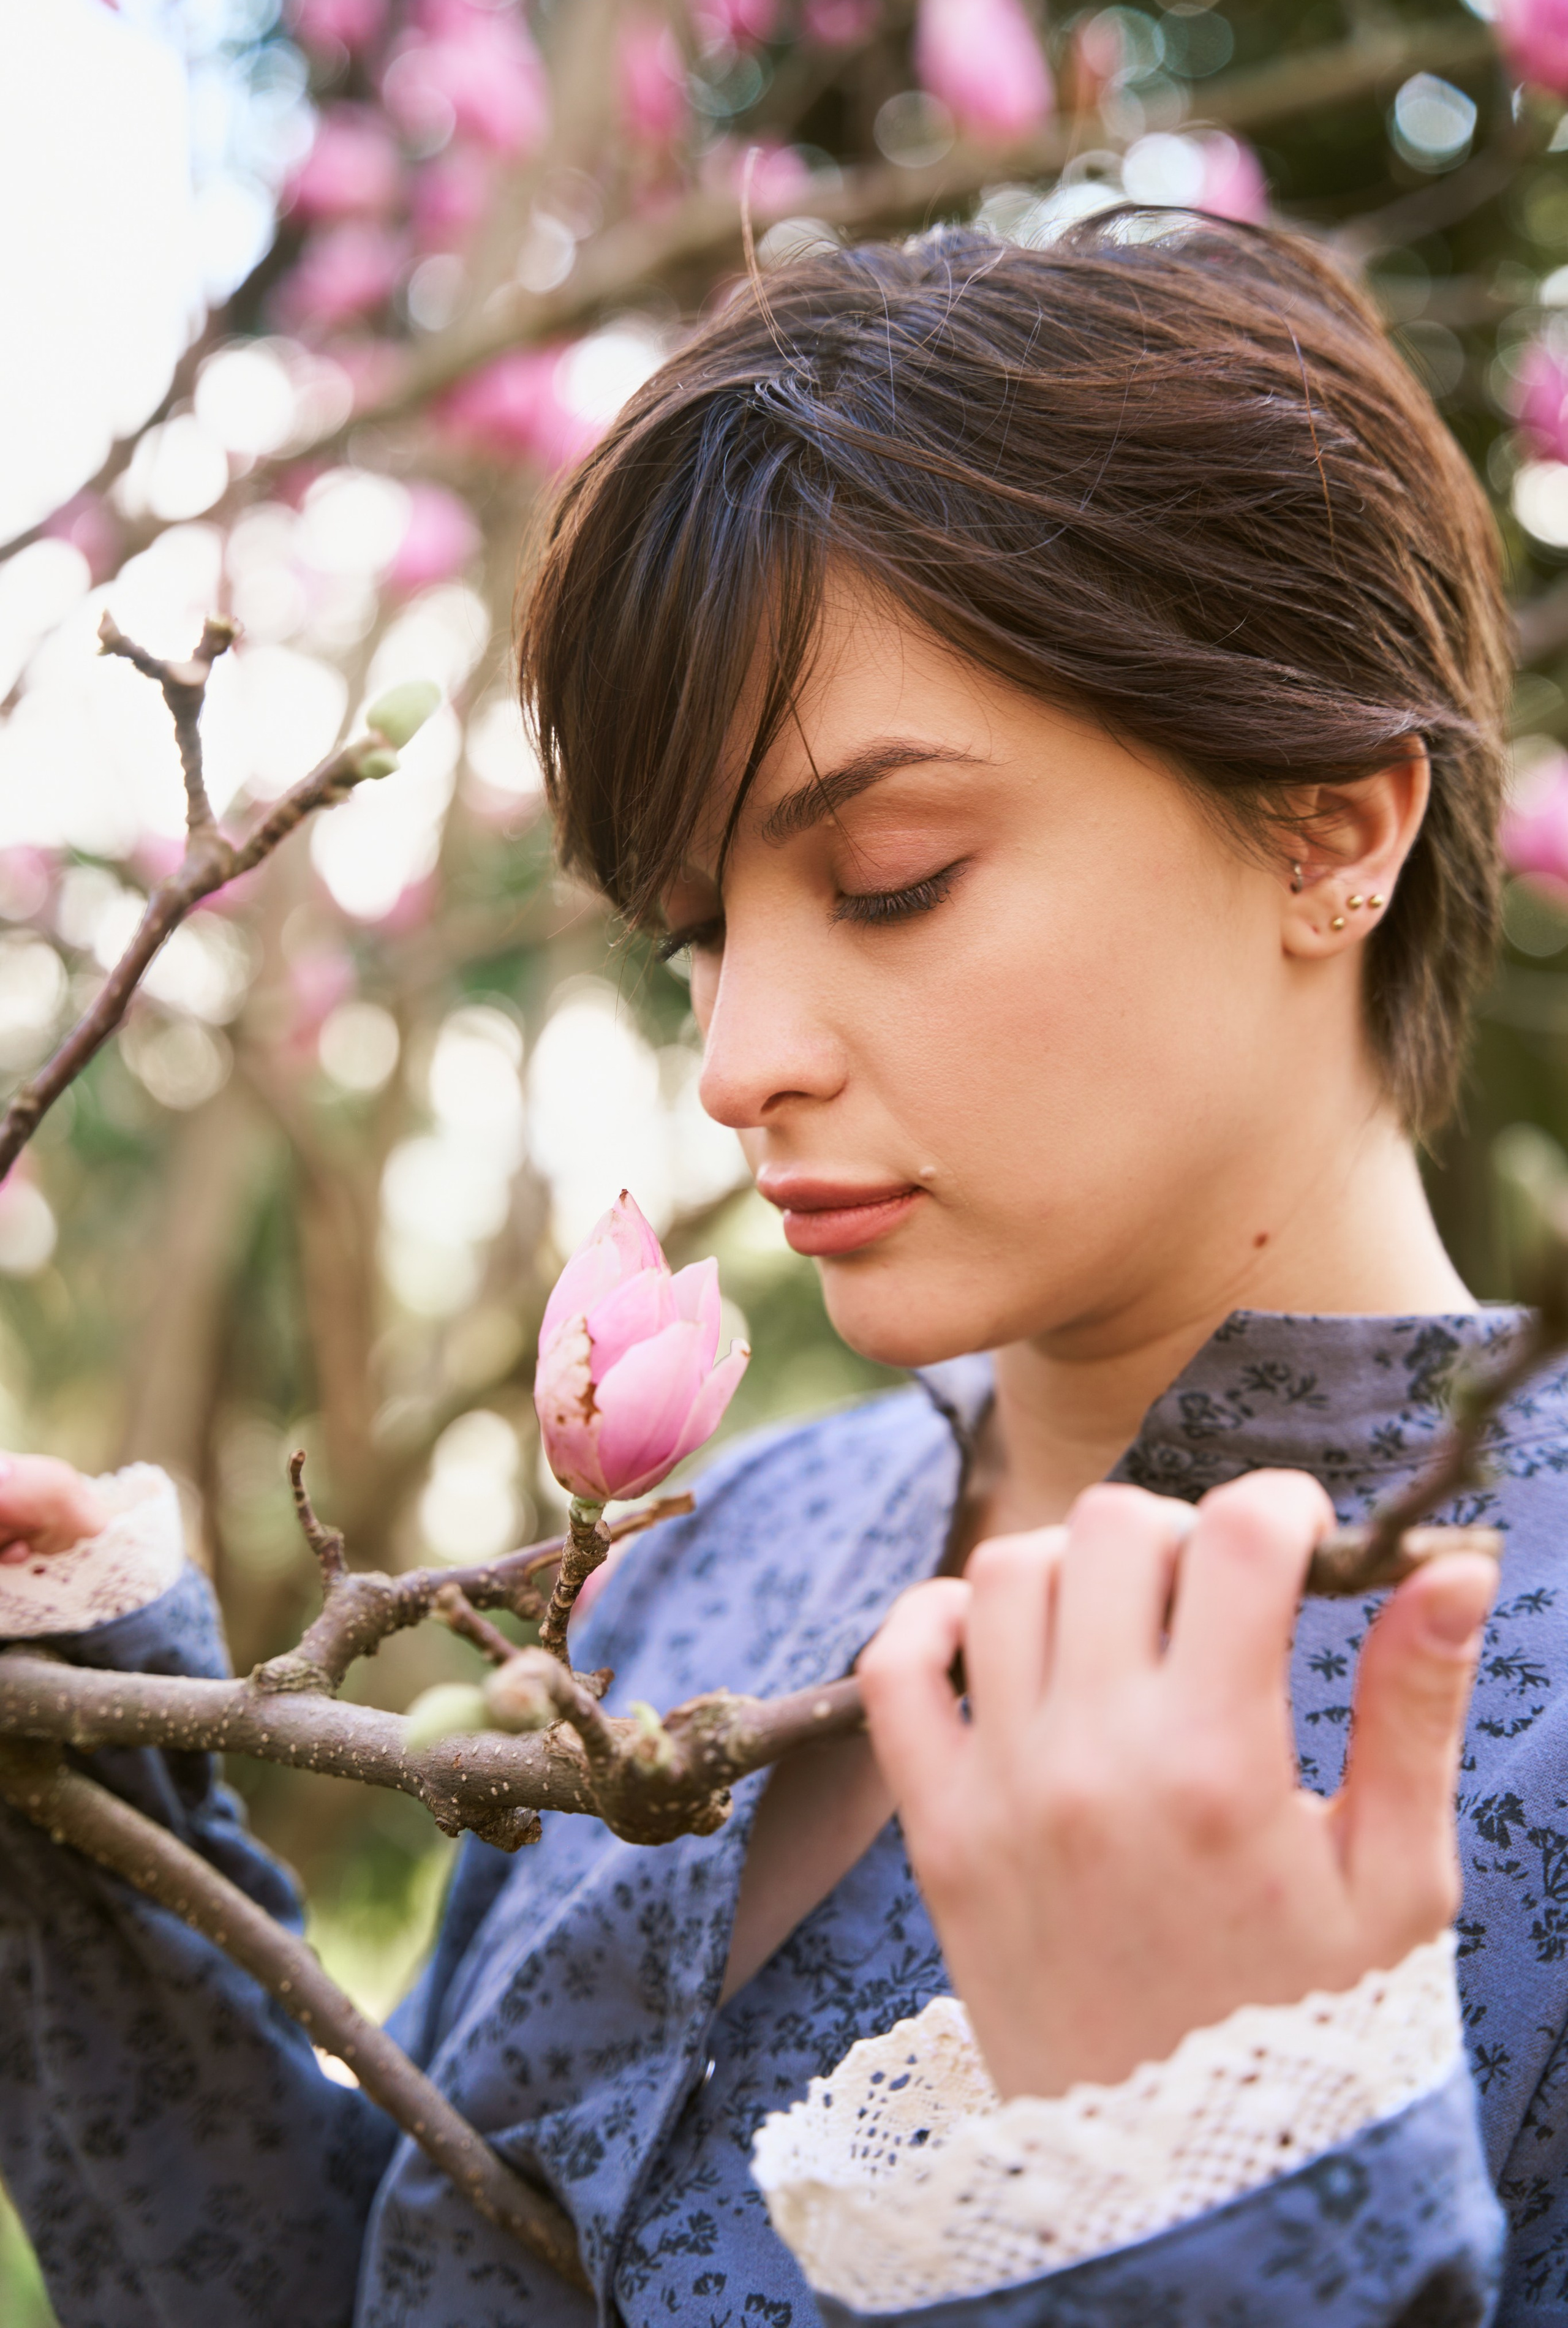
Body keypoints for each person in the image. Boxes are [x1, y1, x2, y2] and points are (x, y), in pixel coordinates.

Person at [0, 210, 1556, 2327]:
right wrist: (80, 1789)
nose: (738, 1064)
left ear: (1332, 829)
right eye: (701, 938)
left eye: (892, 883)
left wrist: (1233, 2187)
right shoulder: (725, 1548)